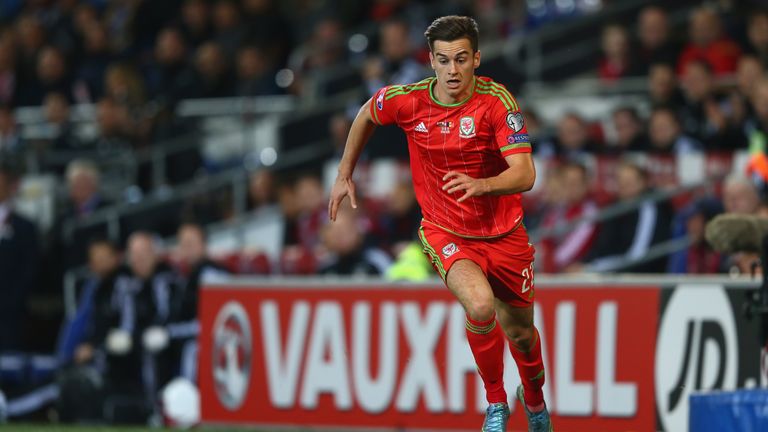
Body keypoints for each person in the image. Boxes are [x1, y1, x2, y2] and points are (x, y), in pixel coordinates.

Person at [328, 16, 552, 432]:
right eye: (444, 60)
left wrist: (481, 184)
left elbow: (525, 173)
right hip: (445, 230)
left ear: (476, 59)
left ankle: (535, 403)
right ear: (431, 61)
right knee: (481, 306)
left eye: (462, 59)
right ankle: (497, 404)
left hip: (505, 235)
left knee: (522, 335)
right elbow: (366, 114)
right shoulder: (409, 101)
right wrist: (345, 173)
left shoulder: (496, 101)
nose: (453, 70)